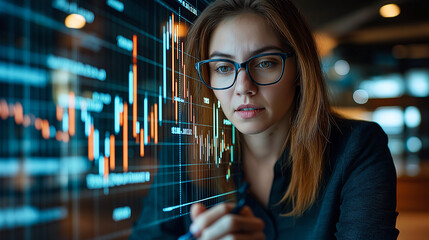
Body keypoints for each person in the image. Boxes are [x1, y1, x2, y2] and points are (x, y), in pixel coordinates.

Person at [131, 0, 399, 239]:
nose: (243, 86)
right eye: (223, 68)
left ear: (299, 70)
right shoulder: (184, 154)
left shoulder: (358, 148)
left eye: (265, 62)